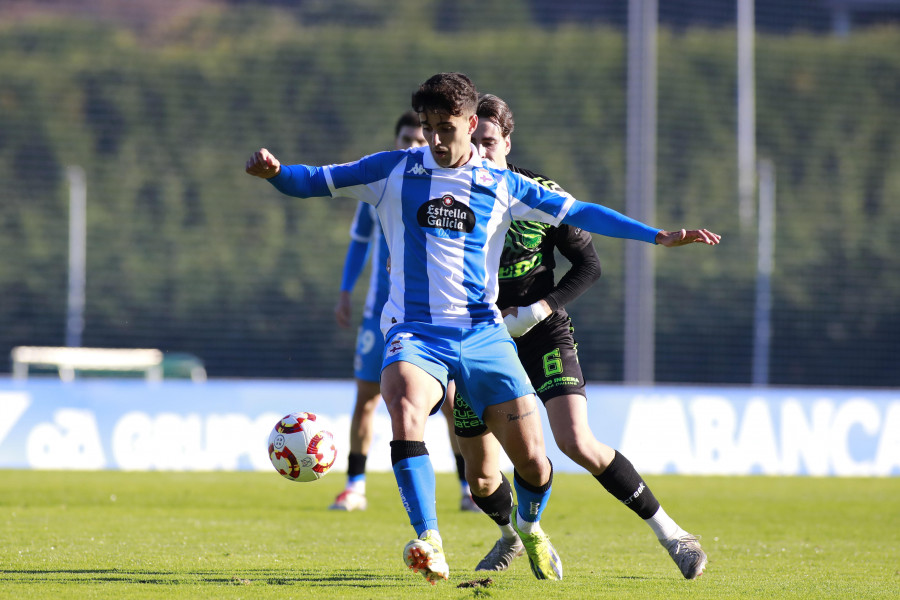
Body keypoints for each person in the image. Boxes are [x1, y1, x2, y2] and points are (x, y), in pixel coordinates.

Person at [245, 72, 719, 585]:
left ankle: (529, 528)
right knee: (406, 407)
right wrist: (275, 173)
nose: (435, 139)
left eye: (446, 127)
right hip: (415, 330)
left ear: (471, 124)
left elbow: (581, 213)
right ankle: (430, 541)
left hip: (484, 335)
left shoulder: (505, 185)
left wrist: (655, 236)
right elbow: (311, 180)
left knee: (535, 464)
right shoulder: (391, 171)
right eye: (427, 127)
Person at [454, 93, 708, 580]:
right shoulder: (453, 194)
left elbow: (589, 264)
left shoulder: (534, 192)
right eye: (476, 142)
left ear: (507, 140)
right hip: (482, 339)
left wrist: (537, 309)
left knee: (575, 440)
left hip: (541, 332)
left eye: (490, 142)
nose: (482, 153)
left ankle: (673, 535)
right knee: (481, 477)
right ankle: (513, 536)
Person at [330, 111, 479, 513]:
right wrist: (346, 290)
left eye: (420, 138)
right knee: (366, 397)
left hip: (428, 315)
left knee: (450, 402)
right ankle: (354, 485)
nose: (415, 145)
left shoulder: (444, 185)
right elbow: (360, 244)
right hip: (378, 309)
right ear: (396, 141)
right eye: (407, 139)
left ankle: (467, 487)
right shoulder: (380, 186)